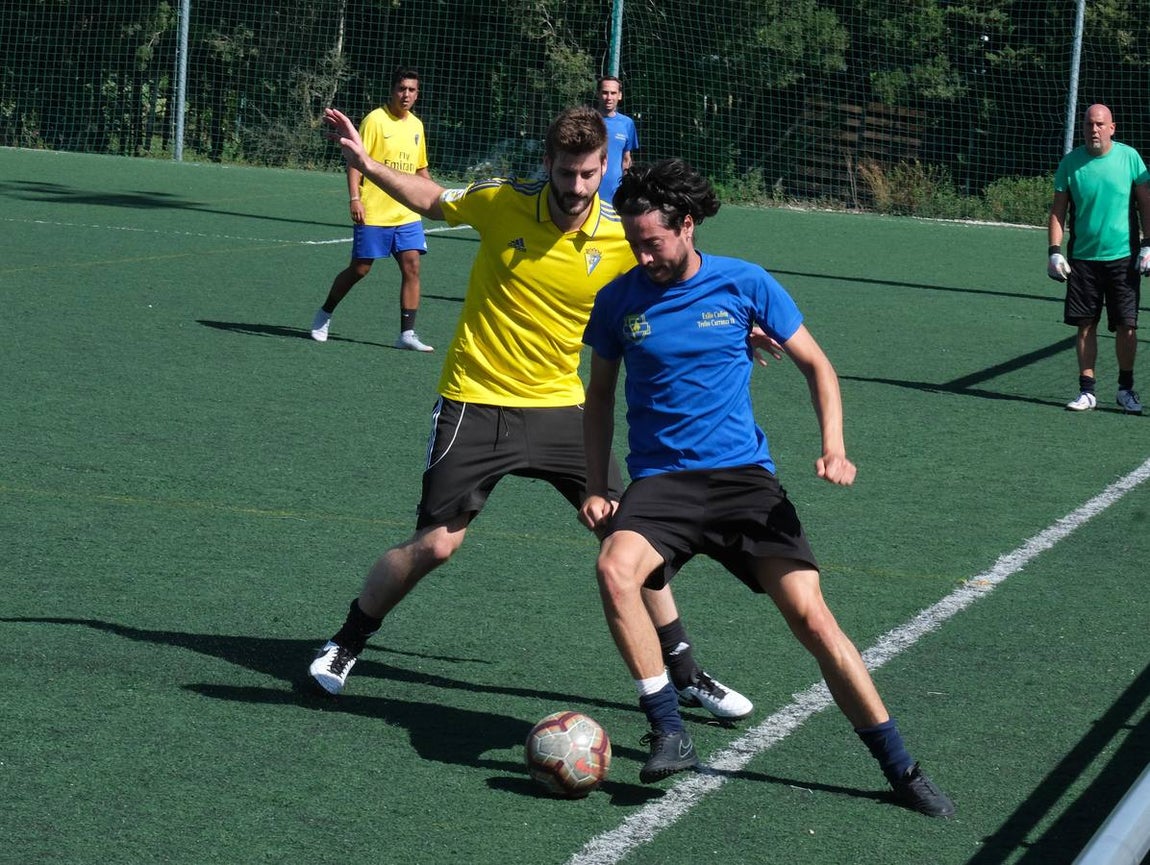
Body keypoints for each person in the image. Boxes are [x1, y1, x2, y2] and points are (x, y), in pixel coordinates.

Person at [307, 105, 753, 722]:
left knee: (628, 533)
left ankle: (684, 671)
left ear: (607, 170)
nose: (576, 188)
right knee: (436, 545)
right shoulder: (500, 202)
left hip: (562, 406)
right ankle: (345, 643)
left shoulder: (619, 233)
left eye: (589, 175)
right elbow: (431, 197)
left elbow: (677, 276)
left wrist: (738, 328)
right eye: (567, 173)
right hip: (476, 397)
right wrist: (365, 163)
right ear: (548, 164)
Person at [579, 158, 955, 817]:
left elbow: (817, 364)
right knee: (615, 566)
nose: (643, 254)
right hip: (662, 485)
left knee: (813, 619)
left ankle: (900, 765)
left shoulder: (744, 283)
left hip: (744, 484)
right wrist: (593, 483)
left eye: (653, 242)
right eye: (634, 243)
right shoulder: (618, 300)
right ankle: (668, 726)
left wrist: (833, 446)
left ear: (687, 226)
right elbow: (600, 397)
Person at [310, 68, 435, 351]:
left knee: (412, 265)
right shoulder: (374, 121)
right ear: (392, 90)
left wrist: (443, 199)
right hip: (375, 211)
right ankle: (325, 313)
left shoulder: (416, 126)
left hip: (407, 213)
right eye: (402, 88)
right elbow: (355, 161)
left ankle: (407, 334)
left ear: (418, 94)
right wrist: (355, 198)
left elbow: (420, 169)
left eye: (412, 90)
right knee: (360, 269)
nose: (406, 95)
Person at [1048, 103, 1150, 413]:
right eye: (1089, 124)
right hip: (1083, 260)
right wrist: (1054, 252)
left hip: (1123, 258)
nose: (1094, 129)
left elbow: (1147, 205)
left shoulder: (1130, 158)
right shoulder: (1070, 163)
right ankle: (1087, 392)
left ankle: (1125, 390)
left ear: (1112, 128)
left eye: (1100, 124)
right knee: (1085, 325)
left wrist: (1148, 245)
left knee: (1127, 326)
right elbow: (1058, 211)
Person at [595, 76, 639, 205]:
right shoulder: (587, 120)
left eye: (613, 93)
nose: (609, 97)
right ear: (598, 94)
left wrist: (626, 188)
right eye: (605, 92)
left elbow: (626, 159)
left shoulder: (627, 123)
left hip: (614, 195)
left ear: (619, 96)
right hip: (588, 192)